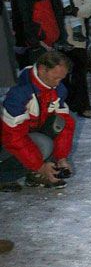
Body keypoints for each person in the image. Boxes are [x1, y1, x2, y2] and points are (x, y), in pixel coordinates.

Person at [0, 48, 75, 188]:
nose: (59, 83)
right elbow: (13, 137)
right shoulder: (19, 90)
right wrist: (40, 166)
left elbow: (66, 125)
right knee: (43, 144)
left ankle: (37, 173)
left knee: (59, 123)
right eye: (55, 78)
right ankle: (4, 176)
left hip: (25, 133)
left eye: (61, 78)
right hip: (6, 139)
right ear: (41, 70)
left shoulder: (57, 89)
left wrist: (61, 158)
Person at [57, 0, 91, 117]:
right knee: (61, 73)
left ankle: (82, 105)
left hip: (78, 37)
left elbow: (90, 7)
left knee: (80, 73)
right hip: (63, 36)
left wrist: (76, 11)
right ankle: (61, 104)